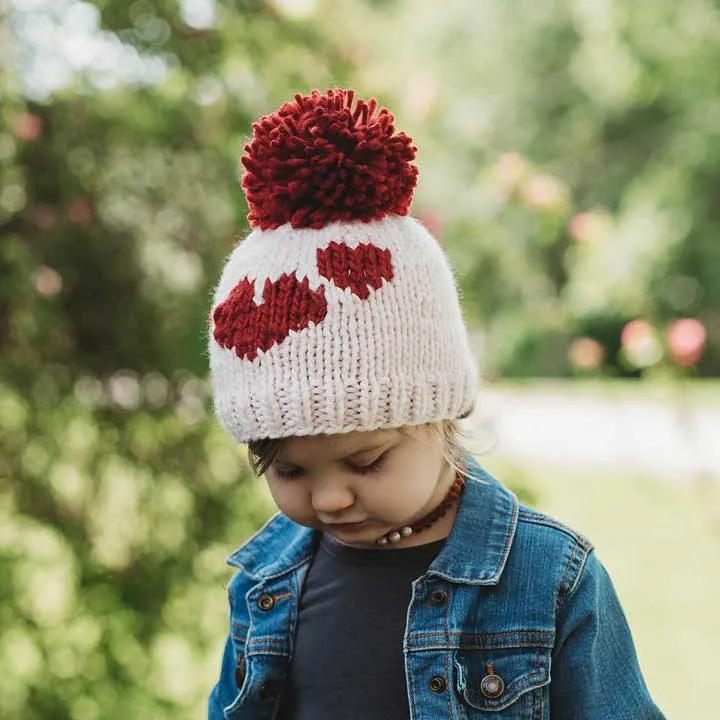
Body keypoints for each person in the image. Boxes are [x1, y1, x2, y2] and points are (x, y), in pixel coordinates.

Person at [207, 88, 665, 719]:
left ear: (441, 417)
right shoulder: (266, 584)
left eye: (365, 463)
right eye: (289, 470)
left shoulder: (550, 578)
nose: (329, 497)